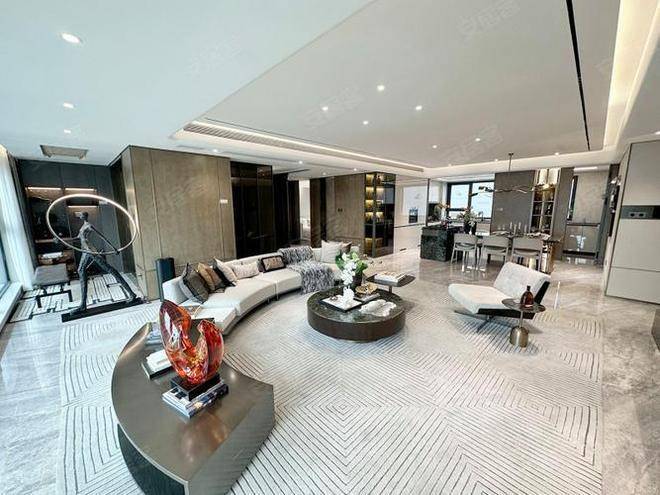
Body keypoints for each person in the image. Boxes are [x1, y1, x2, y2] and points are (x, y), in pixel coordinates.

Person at [70, 211, 137, 314]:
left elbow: (102, 237)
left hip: (91, 251)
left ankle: (131, 294)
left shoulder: (88, 226)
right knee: (81, 271)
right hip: (85, 251)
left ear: (85, 216)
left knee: (110, 270)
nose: (81, 216)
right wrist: (61, 240)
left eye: (82, 215)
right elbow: (77, 239)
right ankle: (83, 305)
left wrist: (114, 248)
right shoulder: (82, 227)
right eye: (81, 215)